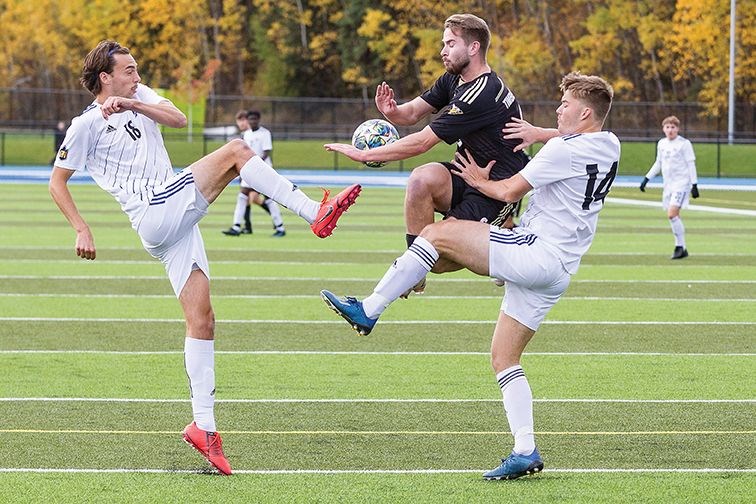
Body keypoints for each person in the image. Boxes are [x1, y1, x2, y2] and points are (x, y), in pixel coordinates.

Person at [48, 40, 361, 475]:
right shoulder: (84, 126)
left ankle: (204, 428)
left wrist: (133, 104)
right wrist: (82, 227)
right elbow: (57, 182)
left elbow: (177, 119)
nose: (137, 76)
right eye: (130, 70)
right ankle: (314, 212)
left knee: (203, 321)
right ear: (106, 76)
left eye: (137, 71)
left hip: (173, 214)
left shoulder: (140, 97)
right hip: (155, 211)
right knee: (236, 151)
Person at [321, 72, 620, 480]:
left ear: (585, 112)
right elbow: (569, 136)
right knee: (504, 358)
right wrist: (540, 132)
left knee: (435, 235)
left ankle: (370, 308)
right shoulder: (609, 143)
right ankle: (525, 450)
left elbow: (510, 192)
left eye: (565, 104)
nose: (558, 109)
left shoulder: (560, 151)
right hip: (560, 270)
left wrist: (480, 181)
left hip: (536, 253)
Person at [325, 13, 528, 296]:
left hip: (495, 190)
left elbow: (421, 142)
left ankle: (508, 243)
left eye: (450, 44)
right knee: (422, 179)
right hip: (467, 173)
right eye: (443, 44)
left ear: (473, 48)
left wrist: (360, 155)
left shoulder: (480, 94)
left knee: (440, 259)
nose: (443, 51)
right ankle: (413, 273)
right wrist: (392, 112)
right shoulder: (455, 80)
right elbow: (412, 113)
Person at [639, 115, 699, 259]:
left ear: (677, 129)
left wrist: (694, 184)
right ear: (663, 129)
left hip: (681, 184)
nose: (670, 130)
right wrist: (647, 178)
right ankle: (682, 248)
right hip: (668, 185)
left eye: (673, 127)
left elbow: (691, 164)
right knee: (673, 216)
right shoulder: (661, 144)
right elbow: (658, 163)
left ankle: (679, 246)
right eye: (667, 127)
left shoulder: (684, 144)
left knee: (672, 214)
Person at [222, 110, 286, 237]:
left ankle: (280, 227)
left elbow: (267, 152)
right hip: (250, 170)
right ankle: (236, 226)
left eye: (255, 119)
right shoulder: (246, 134)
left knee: (269, 198)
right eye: (250, 119)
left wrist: (256, 163)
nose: (252, 121)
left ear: (259, 119)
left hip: (263, 170)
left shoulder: (265, 133)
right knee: (242, 196)